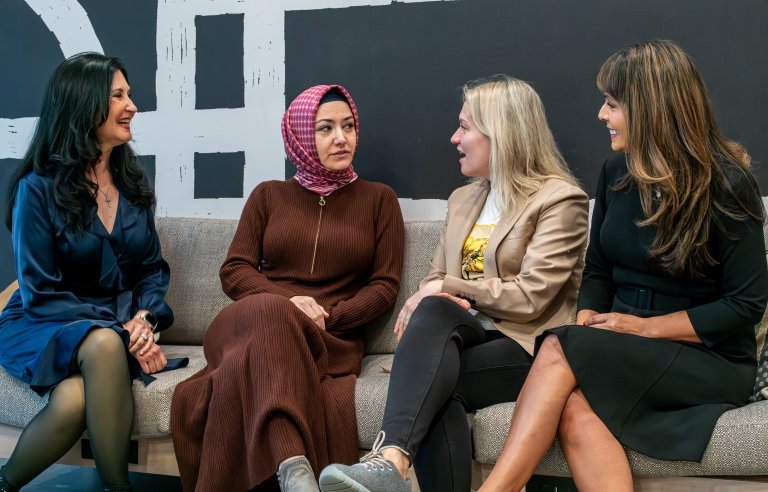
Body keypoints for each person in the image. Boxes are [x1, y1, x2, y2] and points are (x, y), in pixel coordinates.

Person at [478, 40, 768, 492]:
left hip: (707, 357)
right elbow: (596, 270)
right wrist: (589, 317)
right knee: (574, 406)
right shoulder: (615, 172)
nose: (601, 115)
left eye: (613, 104)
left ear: (653, 109)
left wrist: (644, 328)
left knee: (556, 346)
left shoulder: (729, 184)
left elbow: (746, 305)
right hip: (624, 342)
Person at [318, 75, 589, 492]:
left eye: (464, 127)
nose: (453, 137)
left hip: (528, 345)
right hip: (463, 336)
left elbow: (533, 296)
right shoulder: (464, 199)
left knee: (434, 387)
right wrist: (442, 290)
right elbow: (433, 279)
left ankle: (389, 459)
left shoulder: (558, 200)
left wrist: (452, 288)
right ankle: (391, 462)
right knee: (434, 327)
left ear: (500, 132)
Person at [170, 84, 405, 492]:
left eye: (348, 127)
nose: (341, 138)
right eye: (325, 128)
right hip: (249, 323)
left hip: (326, 339)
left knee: (268, 335)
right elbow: (234, 270)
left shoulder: (379, 200)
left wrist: (328, 317)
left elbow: (384, 286)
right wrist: (287, 303)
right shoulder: (268, 196)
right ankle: (295, 472)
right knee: (270, 312)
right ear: (300, 136)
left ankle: (293, 470)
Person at [0, 52, 173, 492]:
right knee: (101, 342)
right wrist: (121, 329)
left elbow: (152, 270)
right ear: (83, 105)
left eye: (129, 94)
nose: (132, 105)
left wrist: (145, 320)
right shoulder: (35, 189)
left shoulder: (132, 183)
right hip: (43, 320)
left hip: (106, 330)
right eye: (118, 95)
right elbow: (39, 291)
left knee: (76, 396)